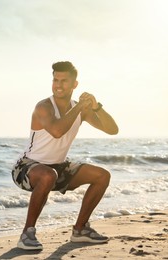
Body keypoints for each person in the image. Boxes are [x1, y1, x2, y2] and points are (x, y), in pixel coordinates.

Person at [11, 61, 119, 250]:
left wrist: (95, 107)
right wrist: (79, 108)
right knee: (48, 175)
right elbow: (57, 131)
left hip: (58, 166)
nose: (58, 85)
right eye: (55, 80)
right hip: (27, 167)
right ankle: (27, 234)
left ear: (74, 84)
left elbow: (112, 130)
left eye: (64, 81)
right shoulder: (44, 106)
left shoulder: (80, 109)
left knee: (102, 176)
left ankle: (80, 230)